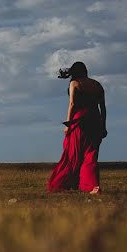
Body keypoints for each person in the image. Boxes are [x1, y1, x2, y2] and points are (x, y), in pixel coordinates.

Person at [47, 61, 107, 193]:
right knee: (91, 154)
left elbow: (73, 104)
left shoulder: (74, 83)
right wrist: (103, 125)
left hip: (80, 121)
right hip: (95, 120)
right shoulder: (97, 84)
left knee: (72, 154)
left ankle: (70, 182)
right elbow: (102, 107)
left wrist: (68, 123)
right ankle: (92, 186)